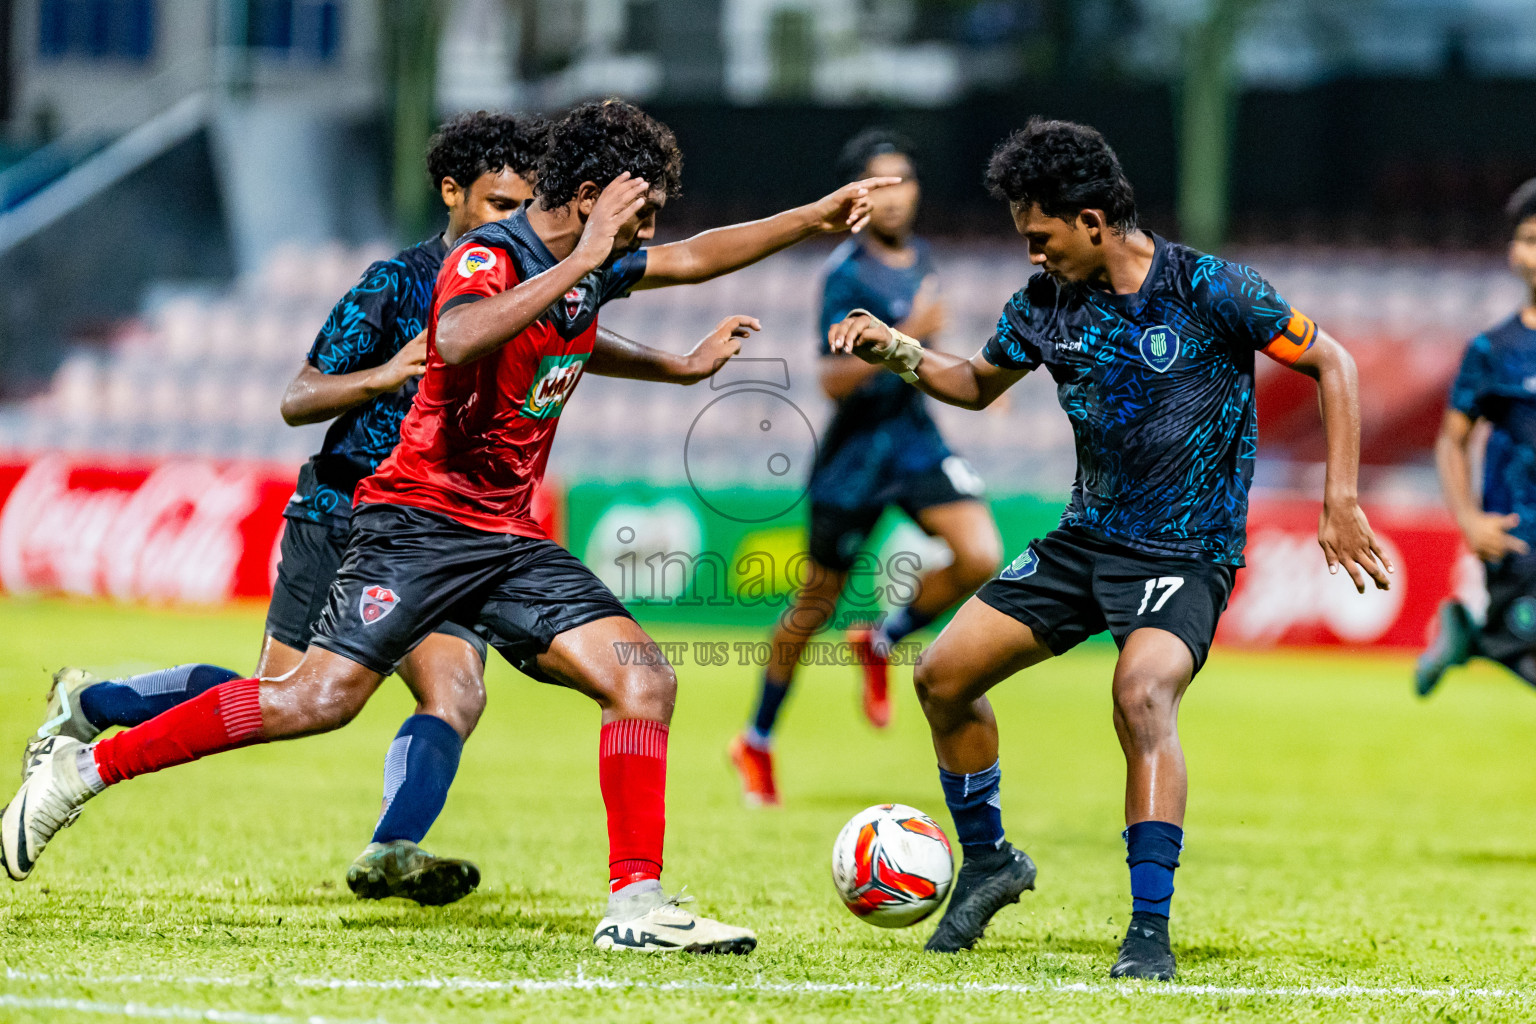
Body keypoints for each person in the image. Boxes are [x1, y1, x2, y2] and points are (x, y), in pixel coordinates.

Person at [4, 98, 898, 955]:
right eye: (640, 211)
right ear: (590, 201)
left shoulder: (595, 263)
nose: (649, 232)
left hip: (506, 539)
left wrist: (811, 218)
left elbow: (699, 257)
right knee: (312, 700)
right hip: (414, 525)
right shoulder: (489, 255)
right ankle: (81, 774)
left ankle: (636, 901)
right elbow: (460, 338)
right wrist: (588, 254)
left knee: (642, 680)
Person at [826, 117, 1391, 979]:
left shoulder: (1210, 289)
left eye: (1040, 236)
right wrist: (896, 348)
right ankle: (989, 864)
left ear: (1091, 221)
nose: (1032, 255)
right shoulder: (1045, 306)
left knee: (1141, 694)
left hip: (1184, 552)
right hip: (1085, 541)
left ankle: (1148, 933)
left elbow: (1334, 364)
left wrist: (1340, 498)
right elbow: (977, 385)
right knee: (941, 676)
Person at [20, 110, 548, 906]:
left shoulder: (521, 292)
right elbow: (299, 396)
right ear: (452, 193)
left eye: (526, 208)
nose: (514, 224)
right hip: (342, 512)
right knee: (282, 693)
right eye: (499, 205)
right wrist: (385, 375)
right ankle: (92, 704)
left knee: (457, 692)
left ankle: (393, 848)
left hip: (436, 529)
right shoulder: (394, 286)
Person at [729, 129, 1000, 807]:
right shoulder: (845, 274)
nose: (895, 195)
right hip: (855, 456)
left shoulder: (924, 257)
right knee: (813, 606)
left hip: (913, 438)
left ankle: (883, 638)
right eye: (879, 183)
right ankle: (755, 739)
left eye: (903, 180)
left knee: (980, 554)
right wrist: (904, 326)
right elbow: (830, 378)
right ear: (859, 195)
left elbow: (922, 356)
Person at [1416, 179, 1536, 696]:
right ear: (1513, 252)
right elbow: (1451, 440)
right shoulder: (1493, 350)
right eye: (1529, 238)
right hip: (1519, 537)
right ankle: (1484, 639)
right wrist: (1467, 519)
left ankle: (1476, 639)